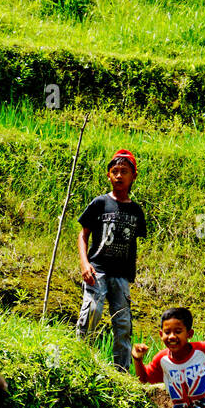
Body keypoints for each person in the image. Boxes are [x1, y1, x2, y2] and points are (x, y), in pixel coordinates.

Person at [76, 149, 147, 372]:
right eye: (114, 171)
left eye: (124, 171)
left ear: (133, 176)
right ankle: (80, 359)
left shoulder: (136, 211)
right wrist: (84, 263)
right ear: (108, 175)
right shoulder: (100, 203)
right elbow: (83, 234)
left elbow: (132, 243)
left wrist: (131, 271)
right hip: (97, 269)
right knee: (93, 310)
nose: (118, 175)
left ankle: (122, 371)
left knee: (123, 322)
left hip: (121, 274)